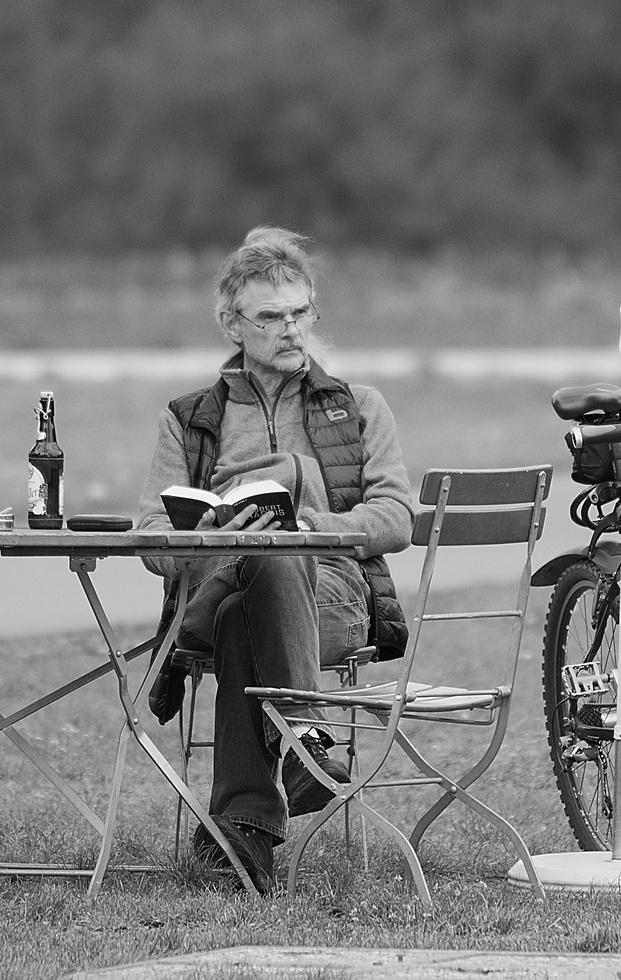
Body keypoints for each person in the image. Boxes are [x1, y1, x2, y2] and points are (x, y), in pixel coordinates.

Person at [138, 226, 414, 894]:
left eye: (301, 312)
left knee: (271, 563)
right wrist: (202, 536)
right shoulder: (190, 420)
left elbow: (399, 518)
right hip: (225, 592)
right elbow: (150, 535)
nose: (291, 329)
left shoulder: (358, 407)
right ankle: (301, 744)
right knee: (252, 577)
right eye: (271, 317)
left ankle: (245, 821)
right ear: (231, 323)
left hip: (337, 603)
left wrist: (312, 528)